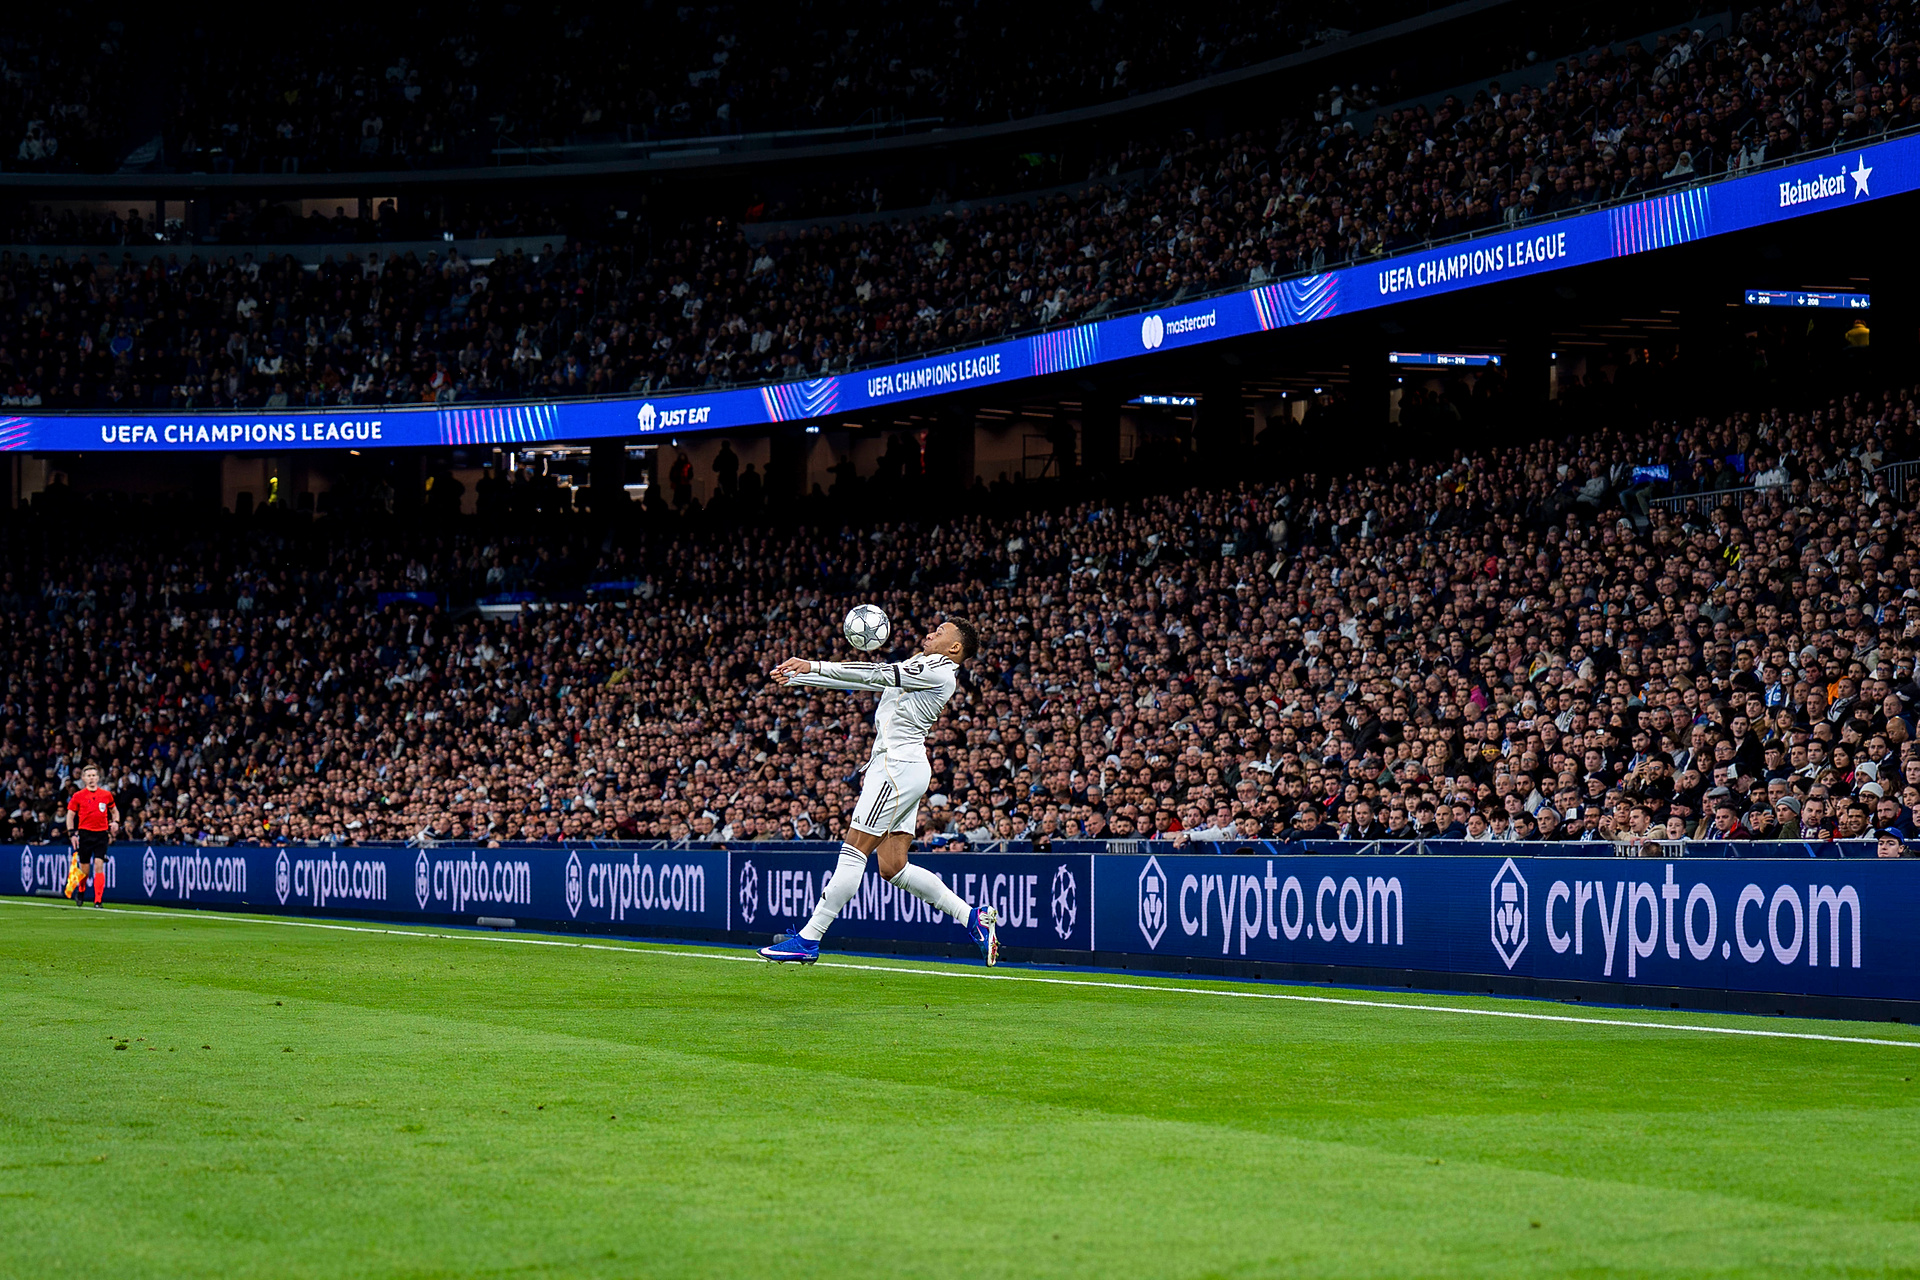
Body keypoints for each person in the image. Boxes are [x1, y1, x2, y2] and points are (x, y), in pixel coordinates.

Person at [757, 619, 1001, 965]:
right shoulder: (927, 666)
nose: (930, 633)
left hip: (897, 768)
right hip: (904, 767)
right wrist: (804, 676)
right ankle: (971, 917)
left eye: (940, 632)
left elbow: (875, 675)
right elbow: (870, 680)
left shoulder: (938, 668)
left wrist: (813, 666)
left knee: (855, 849)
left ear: (955, 648)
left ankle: (809, 938)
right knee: (893, 867)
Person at [64, 764, 118, 907]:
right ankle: (81, 890)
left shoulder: (106, 795)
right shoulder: (78, 796)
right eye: (88, 776)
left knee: (99, 865)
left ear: (98, 778)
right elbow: (70, 815)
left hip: (101, 834)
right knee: (85, 870)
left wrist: (116, 822)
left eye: (94, 775)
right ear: (83, 778)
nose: (91, 778)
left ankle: (98, 900)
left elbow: (114, 811)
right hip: (85, 835)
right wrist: (71, 833)